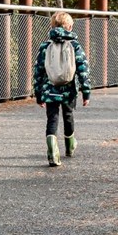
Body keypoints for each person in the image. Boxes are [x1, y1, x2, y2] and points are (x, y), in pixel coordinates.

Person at [33, 12, 92, 167]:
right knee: (68, 115)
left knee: (52, 119)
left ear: (52, 27)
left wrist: (38, 94)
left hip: (49, 89)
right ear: (70, 27)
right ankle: (70, 146)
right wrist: (86, 92)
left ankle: (52, 150)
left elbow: (38, 71)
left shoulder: (45, 46)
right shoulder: (75, 46)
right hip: (68, 89)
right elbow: (83, 70)